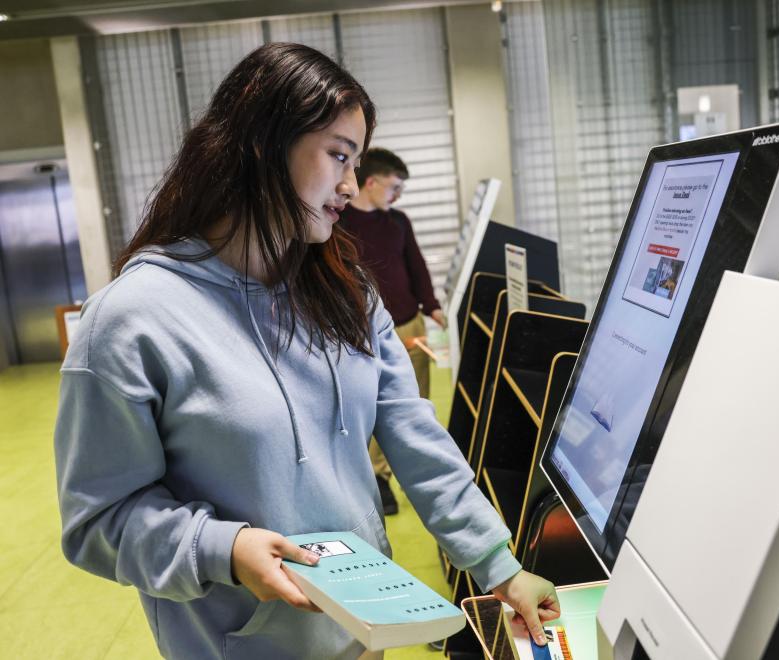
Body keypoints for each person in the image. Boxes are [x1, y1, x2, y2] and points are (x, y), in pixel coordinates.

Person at [54, 43, 559, 660]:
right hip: (241, 647)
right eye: (338, 157)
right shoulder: (133, 321)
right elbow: (98, 520)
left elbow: (410, 431)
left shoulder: (345, 291)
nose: (351, 186)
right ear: (263, 148)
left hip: (363, 629)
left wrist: (498, 567)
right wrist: (224, 549)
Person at [339, 148, 440, 516]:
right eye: (394, 187)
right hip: (360, 332)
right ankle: (377, 478)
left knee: (413, 403)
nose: (397, 196)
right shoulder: (339, 221)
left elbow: (416, 265)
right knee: (374, 403)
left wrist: (433, 307)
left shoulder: (398, 222)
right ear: (372, 181)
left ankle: (418, 477)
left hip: (409, 325)